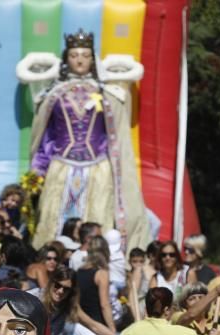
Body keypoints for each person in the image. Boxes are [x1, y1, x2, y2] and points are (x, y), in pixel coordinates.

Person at [19, 29, 149, 251]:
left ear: (93, 59)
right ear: (66, 59)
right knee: (52, 225)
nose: (80, 60)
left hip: (97, 170)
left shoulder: (109, 95)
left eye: (85, 55)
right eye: (74, 55)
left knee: (98, 222)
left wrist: (118, 173)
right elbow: (46, 138)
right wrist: (38, 171)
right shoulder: (53, 95)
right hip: (61, 169)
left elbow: (115, 140)